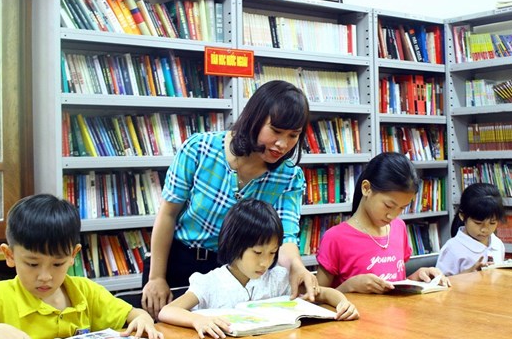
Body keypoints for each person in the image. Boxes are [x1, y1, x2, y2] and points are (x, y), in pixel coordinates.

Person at [141, 80, 317, 319]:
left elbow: (286, 236)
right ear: (254, 119)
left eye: (293, 135)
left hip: (235, 272)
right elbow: (168, 214)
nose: (282, 144)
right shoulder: (199, 149)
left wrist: (297, 267)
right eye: (276, 131)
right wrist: (156, 277)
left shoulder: (289, 176)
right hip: (178, 261)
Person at [0, 194, 162, 339]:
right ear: (10, 255)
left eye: (57, 264)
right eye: (32, 264)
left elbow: (134, 314)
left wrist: (143, 319)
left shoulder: (86, 291)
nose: (45, 276)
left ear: (73, 256)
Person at [158, 199, 359, 339]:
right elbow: (167, 311)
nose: (265, 262)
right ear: (234, 244)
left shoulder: (278, 279)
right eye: (257, 253)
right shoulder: (210, 283)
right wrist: (198, 320)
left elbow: (323, 294)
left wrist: (342, 303)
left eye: (272, 253)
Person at [316, 152, 451, 293]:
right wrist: (350, 286)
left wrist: (416, 278)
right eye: (388, 205)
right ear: (366, 188)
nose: (392, 215)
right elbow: (317, 298)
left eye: (402, 208)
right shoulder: (336, 238)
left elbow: (394, 286)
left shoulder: (399, 227)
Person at [436, 183, 506, 276]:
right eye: (478, 223)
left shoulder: (497, 244)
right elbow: (440, 282)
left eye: (492, 223)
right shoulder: (452, 249)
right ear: (462, 216)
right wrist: (469, 273)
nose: (485, 230)